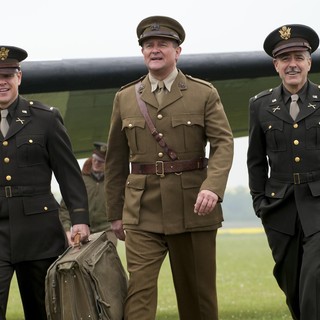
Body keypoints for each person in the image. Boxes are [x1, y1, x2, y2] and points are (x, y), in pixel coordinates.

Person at [105, 16, 234, 320]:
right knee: (139, 293)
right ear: (142, 52)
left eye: (163, 44)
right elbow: (115, 160)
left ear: (178, 51)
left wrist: (212, 188)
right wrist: (115, 213)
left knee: (197, 298)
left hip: (193, 207)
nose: (155, 49)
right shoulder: (125, 98)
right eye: (148, 45)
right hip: (141, 210)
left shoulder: (204, 93)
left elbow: (223, 144)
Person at [0, 46, 90, 320]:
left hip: (38, 232)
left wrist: (80, 218)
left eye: (7, 74)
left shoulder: (45, 118)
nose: (1, 81)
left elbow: (68, 173)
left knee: (43, 311)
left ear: (19, 77)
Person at [247, 24, 320, 319]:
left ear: (309, 62)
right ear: (276, 65)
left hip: (318, 204)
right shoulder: (260, 106)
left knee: (314, 278)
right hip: (279, 208)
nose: (293, 64)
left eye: (299, 57)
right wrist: (259, 203)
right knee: (291, 285)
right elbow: (254, 160)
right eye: (285, 58)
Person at [59, 142, 117, 246]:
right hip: (82, 231)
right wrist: (67, 231)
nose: (96, 163)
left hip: (107, 232)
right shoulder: (79, 180)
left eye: (101, 161)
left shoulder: (114, 183)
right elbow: (65, 209)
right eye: (94, 158)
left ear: (108, 163)